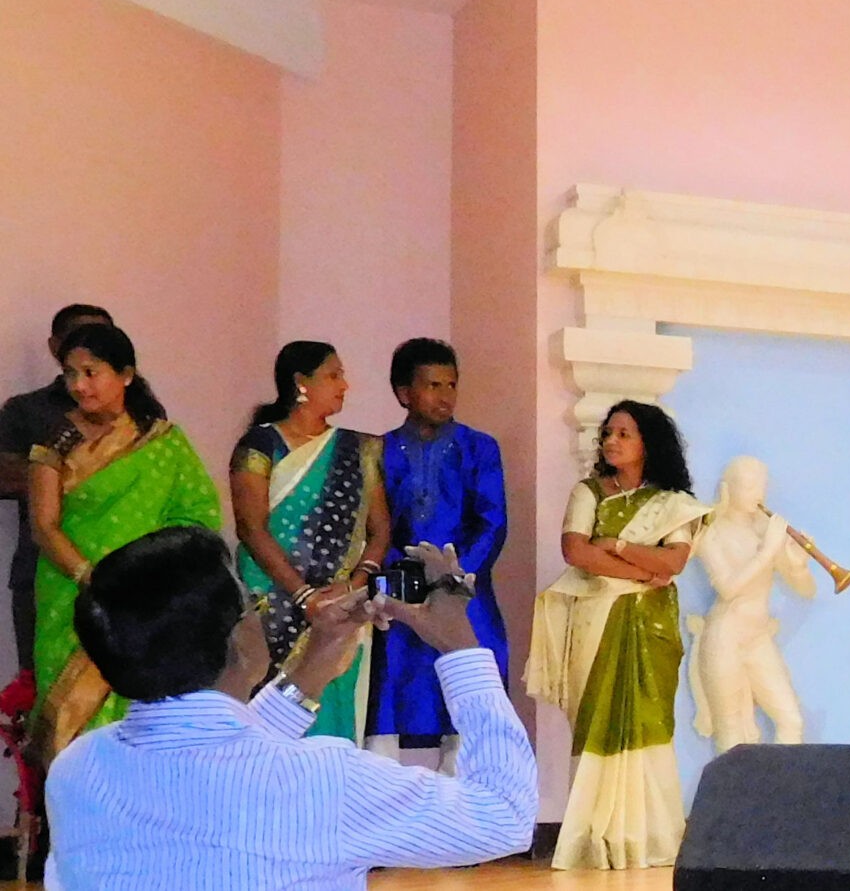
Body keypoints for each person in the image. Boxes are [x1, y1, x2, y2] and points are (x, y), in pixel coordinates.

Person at [44, 528, 533, 889]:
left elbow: (228, 764)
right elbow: (505, 817)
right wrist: (460, 647)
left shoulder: (78, 770)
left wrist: (313, 663)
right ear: (238, 638)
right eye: (251, 602)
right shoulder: (325, 780)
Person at [25, 323, 221, 762]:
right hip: (71, 596)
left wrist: (147, 577)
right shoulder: (56, 440)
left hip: (145, 602)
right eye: (70, 373)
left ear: (126, 375)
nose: (79, 385)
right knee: (68, 720)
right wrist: (94, 581)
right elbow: (44, 526)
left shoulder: (163, 442)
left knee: (143, 711)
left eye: (90, 372)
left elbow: (197, 517)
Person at [526, 400, 709, 870]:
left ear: (649, 443)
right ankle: (594, 839)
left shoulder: (673, 503)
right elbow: (576, 552)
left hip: (651, 625)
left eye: (624, 434)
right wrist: (640, 570)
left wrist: (619, 545)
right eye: (608, 433)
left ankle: (648, 837)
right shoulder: (589, 492)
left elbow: (674, 562)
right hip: (595, 619)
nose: (611, 441)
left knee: (650, 722)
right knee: (595, 721)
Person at [231, 341, 390, 741]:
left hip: (340, 610)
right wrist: (304, 596)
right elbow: (250, 528)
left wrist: (353, 586)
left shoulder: (359, 450)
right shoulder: (260, 445)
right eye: (334, 376)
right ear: (301, 383)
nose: (344, 385)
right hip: (273, 604)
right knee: (268, 718)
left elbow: (380, 530)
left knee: (333, 714)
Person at [369, 338, 509, 762]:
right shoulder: (377, 450)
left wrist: (454, 574)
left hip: (464, 589)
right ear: (404, 393)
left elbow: (493, 520)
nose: (446, 396)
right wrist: (393, 573)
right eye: (433, 385)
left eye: (452, 384)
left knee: (468, 688)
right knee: (391, 689)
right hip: (397, 589)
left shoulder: (479, 448)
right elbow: (372, 526)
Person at [0, 303, 112, 672]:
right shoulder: (27, 410)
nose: (89, 346)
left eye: (101, 338)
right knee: (42, 687)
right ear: (55, 346)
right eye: (79, 337)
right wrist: (63, 475)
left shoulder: (140, 415)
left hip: (123, 575)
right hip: (41, 570)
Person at [688, 457, 816, 751]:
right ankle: (734, 785)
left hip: (757, 638)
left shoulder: (764, 530)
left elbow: (806, 591)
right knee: (730, 732)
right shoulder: (712, 532)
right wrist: (767, 551)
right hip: (725, 639)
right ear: (727, 489)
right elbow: (728, 588)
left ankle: (783, 782)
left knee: (791, 720)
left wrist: (798, 565)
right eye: (748, 486)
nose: (757, 494)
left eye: (761, 486)